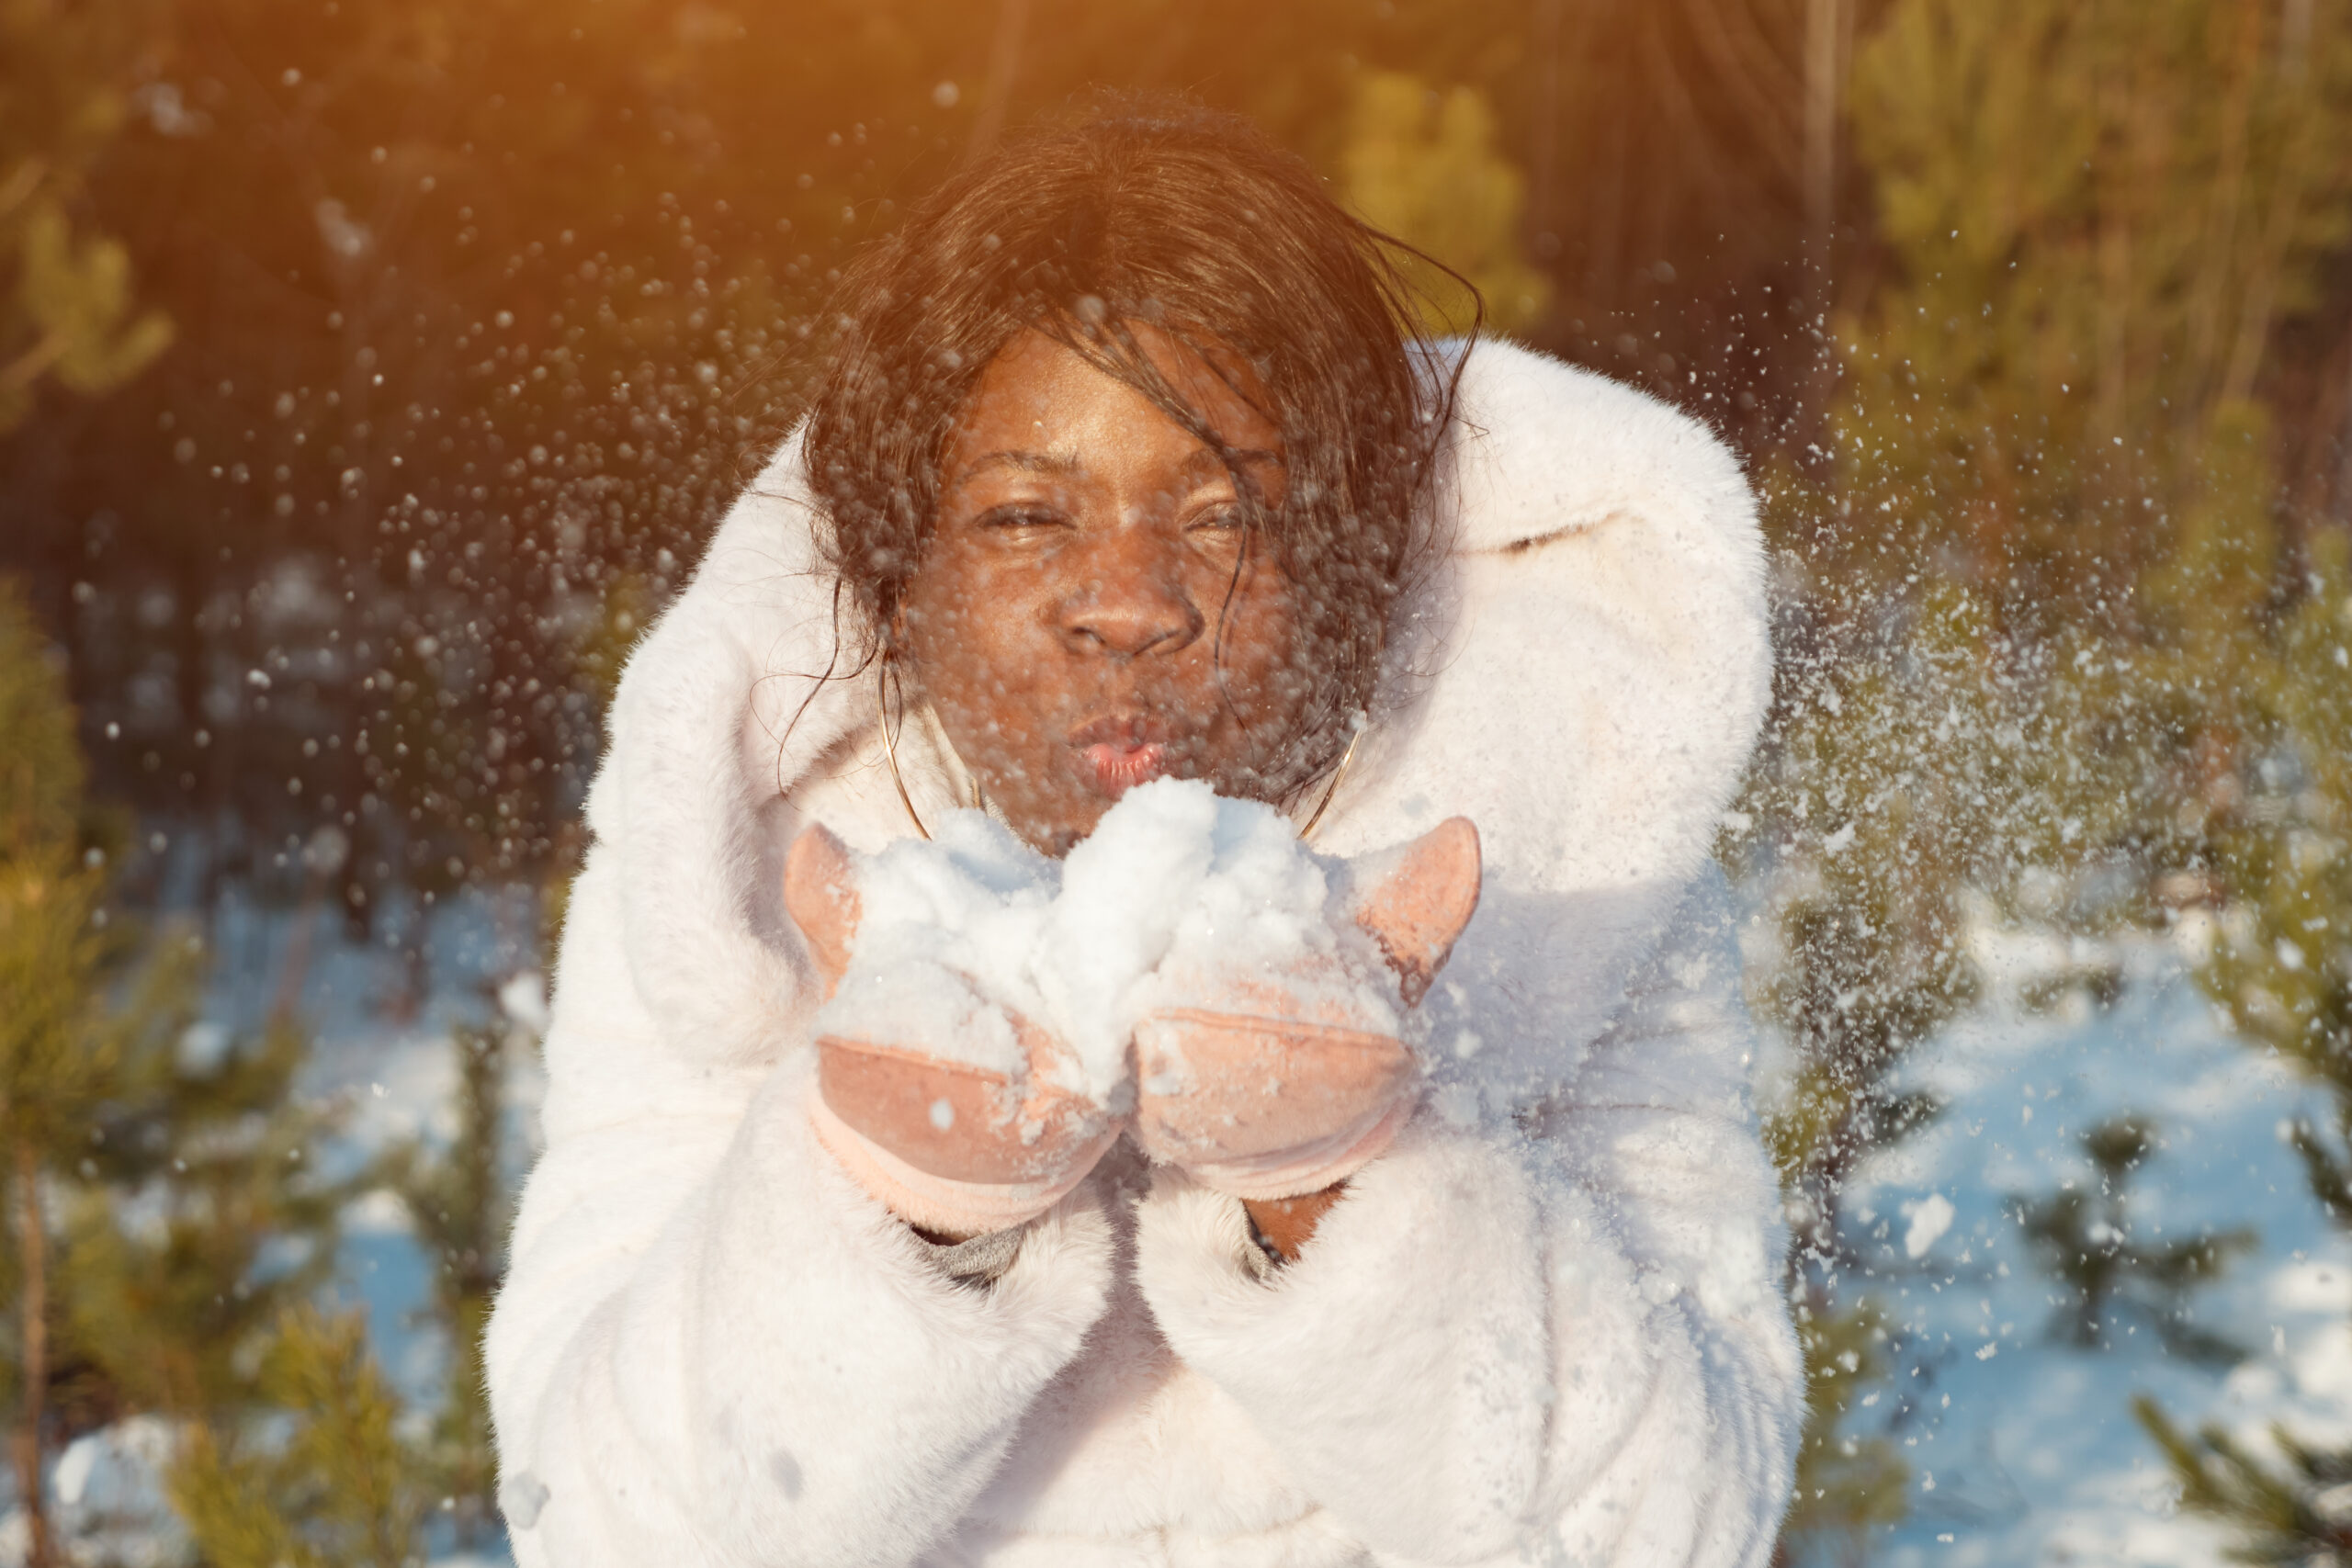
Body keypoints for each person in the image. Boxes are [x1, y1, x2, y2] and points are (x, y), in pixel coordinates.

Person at [485, 100, 1802, 1567]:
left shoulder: (1564, 846)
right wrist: (918, 1208)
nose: (1129, 602)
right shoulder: (751, 870)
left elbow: (1684, 1531)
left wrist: (1336, 1171)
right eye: (1027, 519)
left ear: (1358, 549)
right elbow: (595, 1531)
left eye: (1228, 515)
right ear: (897, 569)